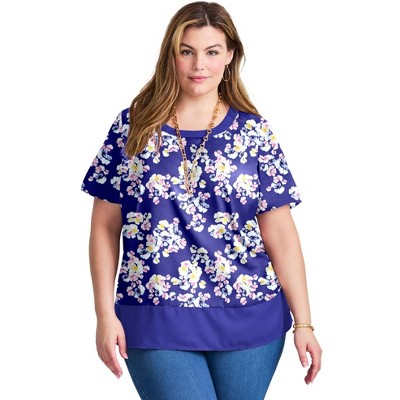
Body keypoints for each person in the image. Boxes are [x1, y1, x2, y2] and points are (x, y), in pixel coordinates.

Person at [81, 2, 322, 399]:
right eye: (187, 51)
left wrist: (304, 323)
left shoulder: (254, 132)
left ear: (229, 56)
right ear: (171, 54)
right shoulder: (132, 127)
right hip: (154, 314)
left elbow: (280, 231)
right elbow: (104, 227)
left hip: (250, 317)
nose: (199, 65)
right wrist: (104, 315)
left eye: (212, 52)